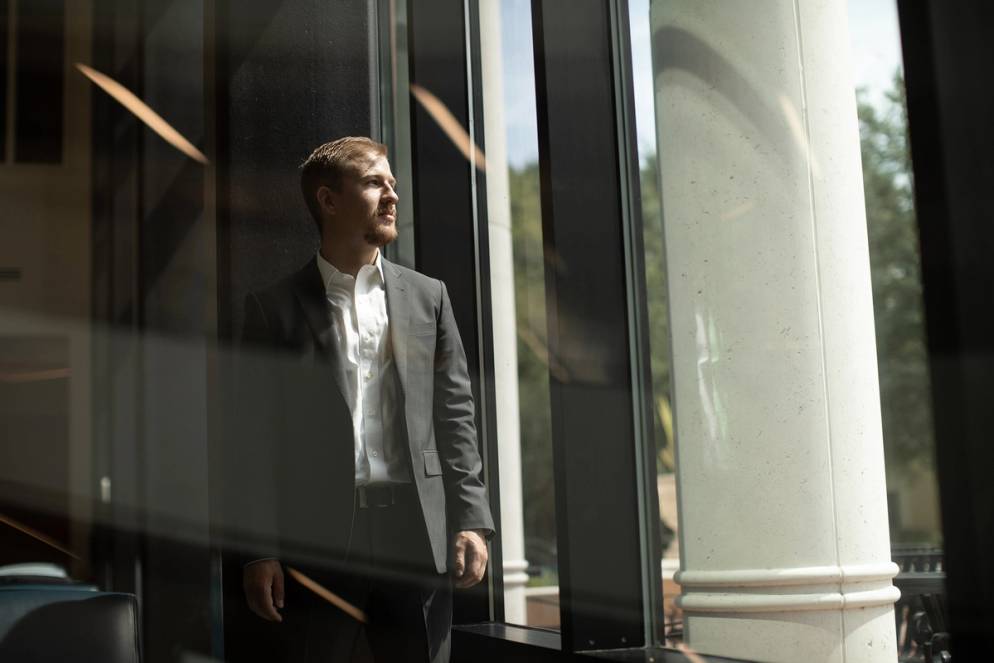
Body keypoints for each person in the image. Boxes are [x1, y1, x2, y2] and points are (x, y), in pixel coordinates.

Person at [230, 136, 495, 662]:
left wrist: (470, 518)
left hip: (415, 536)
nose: (392, 195)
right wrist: (256, 552)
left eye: (393, 183)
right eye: (375, 183)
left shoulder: (429, 297)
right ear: (329, 201)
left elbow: (455, 417)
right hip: (317, 543)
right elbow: (249, 440)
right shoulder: (272, 309)